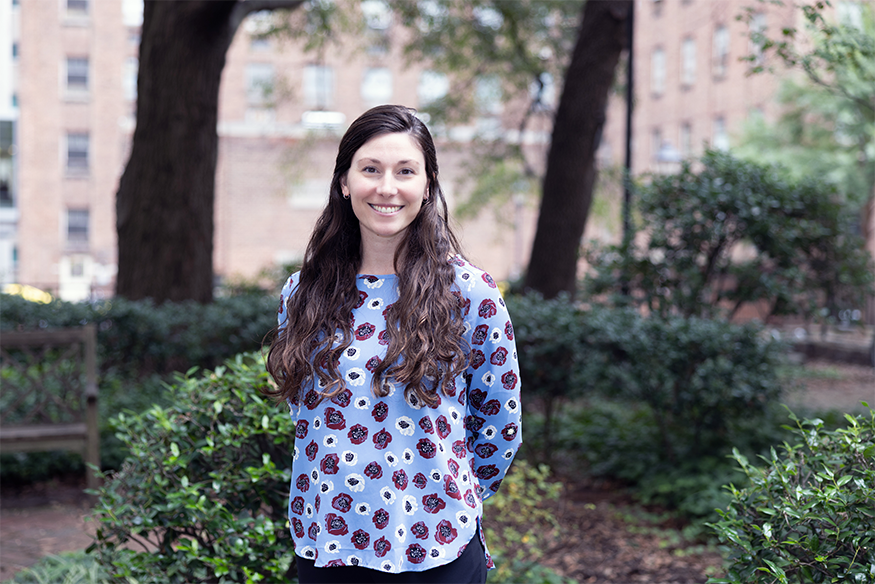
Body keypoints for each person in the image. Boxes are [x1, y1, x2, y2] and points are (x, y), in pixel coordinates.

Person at [266, 105, 521, 583]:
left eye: (405, 171)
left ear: (427, 185)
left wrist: (444, 501)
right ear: (344, 181)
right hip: (328, 548)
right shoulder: (301, 294)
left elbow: (500, 427)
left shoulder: (470, 293)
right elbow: (307, 418)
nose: (387, 187)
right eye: (370, 170)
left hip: (437, 550)